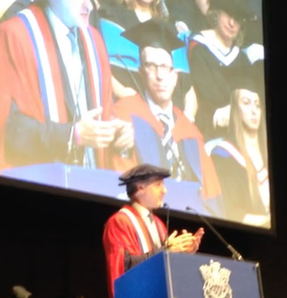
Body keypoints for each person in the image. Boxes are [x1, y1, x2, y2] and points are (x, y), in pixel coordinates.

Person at [0, 0, 134, 172]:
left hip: (92, 183)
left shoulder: (95, 41)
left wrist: (116, 133)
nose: (90, 6)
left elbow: (104, 115)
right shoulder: (16, 36)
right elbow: (12, 133)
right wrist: (73, 134)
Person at [111, 19, 223, 215]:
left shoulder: (190, 132)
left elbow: (213, 198)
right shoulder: (125, 115)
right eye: (151, 66)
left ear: (175, 76)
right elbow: (120, 185)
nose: (160, 76)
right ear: (141, 72)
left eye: (165, 67)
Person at [103, 164, 204, 298]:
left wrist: (183, 253)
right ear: (140, 187)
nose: (164, 190)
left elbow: (162, 269)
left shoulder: (157, 224)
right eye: (158, 184)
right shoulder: (120, 222)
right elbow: (124, 268)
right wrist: (166, 250)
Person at [99, 0, 198, 118]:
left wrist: (186, 117)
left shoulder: (170, 25)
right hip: (129, 116)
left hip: (173, 121)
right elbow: (100, 70)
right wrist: (126, 95)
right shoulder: (110, 19)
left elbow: (187, 87)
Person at [208, 62, 268, 226]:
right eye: (246, 103)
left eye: (257, 104)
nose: (254, 110)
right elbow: (232, 211)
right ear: (235, 108)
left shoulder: (269, 154)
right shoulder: (223, 155)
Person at [187, 0, 255, 139]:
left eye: (237, 19)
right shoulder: (199, 47)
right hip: (208, 128)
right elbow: (206, 96)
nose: (231, 23)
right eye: (228, 15)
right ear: (216, 12)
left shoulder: (242, 59)